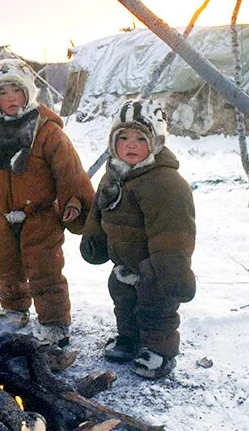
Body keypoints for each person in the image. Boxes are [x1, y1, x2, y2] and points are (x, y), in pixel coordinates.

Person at [0, 59, 94, 346]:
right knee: (6, 265)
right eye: (3, 93)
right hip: (0, 215)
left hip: (40, 215)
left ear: (28, 93)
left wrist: (74, 202)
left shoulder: (47, 132)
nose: (10, 99)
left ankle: (54, 321)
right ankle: (14, 309)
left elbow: (69, 171)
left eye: (16, 91)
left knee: (45, 269)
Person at [79, 99, 196, 379]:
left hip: (154, 266)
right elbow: (99, 212)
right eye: (123, 138)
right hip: (123, 264)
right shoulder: (112, 176)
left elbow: (173, 231)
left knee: (156, 309)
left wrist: (170, 269)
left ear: (155, 142)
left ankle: (159, 350)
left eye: (140, 138)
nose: (130, 145)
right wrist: (93, 239)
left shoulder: (165, 183)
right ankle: (129, 340)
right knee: (124, 303)